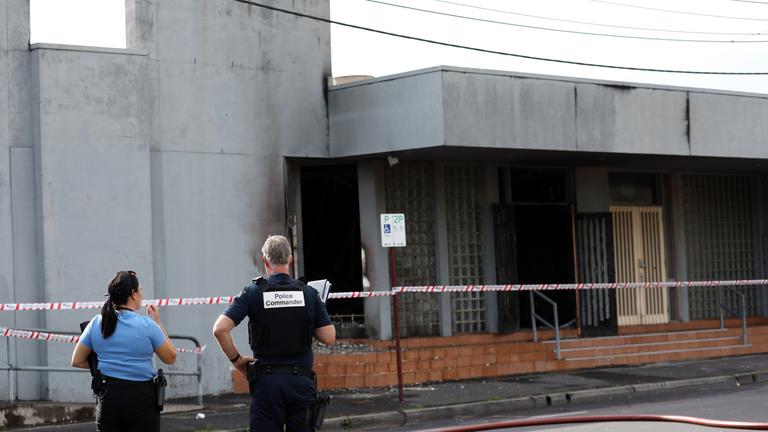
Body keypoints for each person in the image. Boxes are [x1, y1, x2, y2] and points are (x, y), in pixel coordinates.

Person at [213, 235, 336, 432]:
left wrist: (237, 360)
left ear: (264, 261)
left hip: (267, 384)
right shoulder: (309, 294)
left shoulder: (252, 293)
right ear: (290, 259)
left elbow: (220, 329)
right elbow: (329, 337)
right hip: (301, 383)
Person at [71, 270, 177, 432]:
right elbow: (170, 357)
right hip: (142, 399)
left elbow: (77, 361)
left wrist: (109, 365)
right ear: (133, 294)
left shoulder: (97, 322)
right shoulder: (148, 325)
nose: (142, 293)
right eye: (140, 290)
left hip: (108, 398)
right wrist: (158, 322)